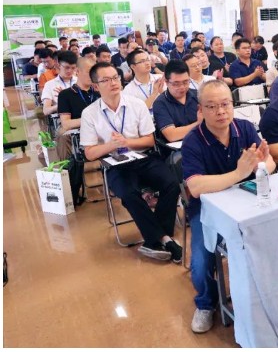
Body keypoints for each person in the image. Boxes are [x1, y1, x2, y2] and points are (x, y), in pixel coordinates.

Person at [181, 80, 275, 333]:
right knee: (201, 264)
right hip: (207, 211)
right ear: (200, 110)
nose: (220, 111)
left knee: (275, 236)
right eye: (212, 106)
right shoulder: (192, 141)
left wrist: (262, 165)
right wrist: (239, 173)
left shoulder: (244, 128)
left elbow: (270, 164)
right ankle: (205, 303)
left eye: (225, 104)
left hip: (246, 199)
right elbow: (196, 187)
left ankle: (269, 292)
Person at [80, 62, 182, 262]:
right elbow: (90, 154)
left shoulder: (136, 105)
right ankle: (165, 239)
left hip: (143, 157)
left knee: (172, 182)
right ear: (96, 86)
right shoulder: (90, 113)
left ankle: (156, 239)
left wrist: (127, 142)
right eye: (106, 80)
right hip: (115, 163)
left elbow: (149, 140)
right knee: (128, 193)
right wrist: (112, 145)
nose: (113, 83)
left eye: (115, 78)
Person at [56, 57, 100, 159]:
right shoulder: (65, 94)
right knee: (62, 134)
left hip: (100, 128)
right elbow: (66, 123)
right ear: (77, 71)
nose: (92, 75)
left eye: (94, 72)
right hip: (78, 130)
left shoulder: (99, 92)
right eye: (89, 72)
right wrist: (90, 120)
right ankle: (68, 165)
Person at [152, 60, 200, 143]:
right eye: (176, 84)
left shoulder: (198, 95)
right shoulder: (160, 103)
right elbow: (172, 135)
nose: (182, 87)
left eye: (185, 82)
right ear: (166, 82)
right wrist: (199, 123)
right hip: (176, 148)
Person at [41, 51, 78, 116]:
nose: (69, 71)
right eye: (66, 67)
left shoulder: (79, 81)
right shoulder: (50, 85)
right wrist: (63, 104)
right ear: (59, 65)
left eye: (73, 68)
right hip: (61, 118)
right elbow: (46, 111)